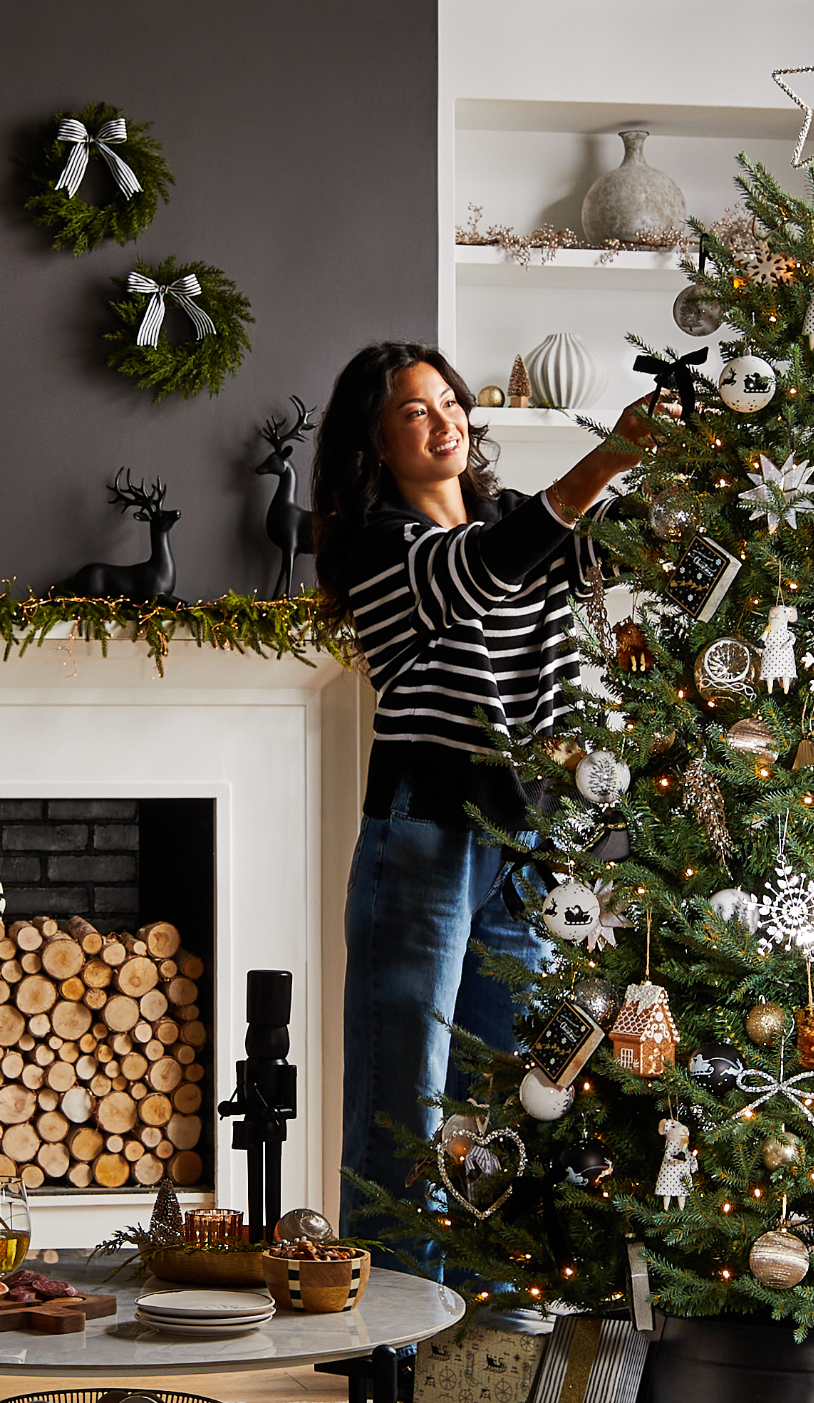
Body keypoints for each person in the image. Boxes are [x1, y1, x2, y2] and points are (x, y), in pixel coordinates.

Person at [310, 341, 653, 1262]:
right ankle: (390, 1335)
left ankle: (485, 1314)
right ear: (376, 443)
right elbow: (482, 568)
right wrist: (609, 453)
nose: (445, 419)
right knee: (405, 1088)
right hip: (426, 831)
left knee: (504, 1085)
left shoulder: (513, 518)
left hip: (526, 831)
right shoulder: (385, 543)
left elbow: (595, 555)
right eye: (416, 411)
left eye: (450, 401)